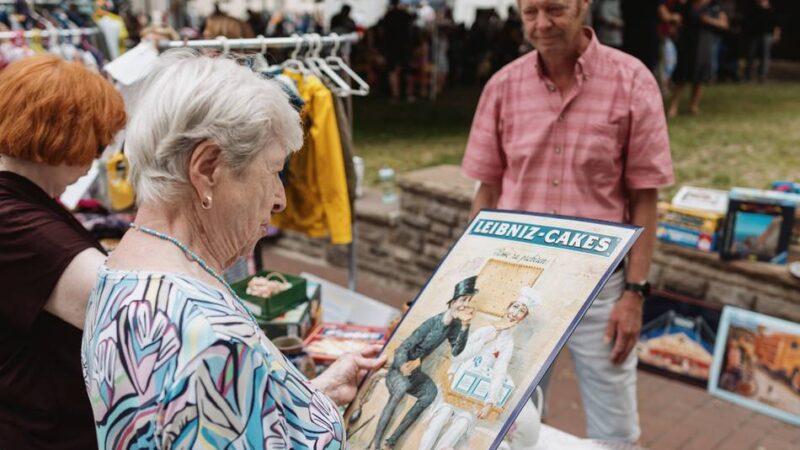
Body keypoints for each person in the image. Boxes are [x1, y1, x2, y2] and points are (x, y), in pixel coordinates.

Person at [81, 50, 385, 449]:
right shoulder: (209, 336)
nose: (280, 199)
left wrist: (312, 398)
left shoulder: (122, 271)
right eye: (273, 171)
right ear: (207, 168)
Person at [462, 0, 674, 443]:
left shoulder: (632, 80)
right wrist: (472, 281)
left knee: (614, 425)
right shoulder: (502, 87)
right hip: (518, 279)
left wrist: (635, 294)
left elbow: (644, 196)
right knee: (506, 413)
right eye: (530, 12)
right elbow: (487, 191)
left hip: (599, 285)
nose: (542, 25)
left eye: (555, 9)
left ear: (583, 5)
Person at [0, 55, 126, 449]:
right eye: (96, 140)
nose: (96, 157)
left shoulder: (23, 203)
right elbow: (131, 308)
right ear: (63, 134)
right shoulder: (17, 223)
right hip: (43, 432)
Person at [419, 287, 540, 450]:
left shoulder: (508, 344)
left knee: (461, 425)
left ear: (522, 318)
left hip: (474, 395)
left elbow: (499, 371)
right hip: (455, 385)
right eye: (515, 306)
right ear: (508, 308)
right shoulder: (485, 330)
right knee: (442, 417)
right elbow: (457, 356)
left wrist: (490, 401)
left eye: (521, 310)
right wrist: (485, 340)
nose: (516, 312)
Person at [371, 276, 478, 450]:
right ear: (452, 301)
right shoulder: (432, 323)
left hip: (415, 371)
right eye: (463, 300)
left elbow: (457, 351)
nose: (465, 304)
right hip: (399, 369)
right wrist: (402, 365)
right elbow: (403, 347)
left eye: (469, 300)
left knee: (430, 393)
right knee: (399, 390)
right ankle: (376, 444)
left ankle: (391, 441)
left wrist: (465, 327)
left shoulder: (454, 325)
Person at [667, 0, 728, 117]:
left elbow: (724, 24)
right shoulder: (687, 5)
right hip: (688, 42)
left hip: (705, 43)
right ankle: (673, 106)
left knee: (699, 76)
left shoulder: (714, 6)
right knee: (682, 76)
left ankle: (693, 106)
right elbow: (678, 21)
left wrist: (708, 20)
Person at [379, 0, 415, 102]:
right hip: (404, 46)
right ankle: (409, 94)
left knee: (392, 70)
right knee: (407, 70)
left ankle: (395, 94)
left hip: (391, 46)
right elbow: (411, 28)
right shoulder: (404, 14)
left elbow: (382, 31)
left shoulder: (388, 15)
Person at [743, 0, 780, 83]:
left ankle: (762, 76)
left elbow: (777, 24)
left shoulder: (772, 10)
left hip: (767, 35)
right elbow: (748, 22)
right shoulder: (754, 9)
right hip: (754, 35)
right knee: (750, 55)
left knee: (765, 56)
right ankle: (747, 76)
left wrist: (776, 34)